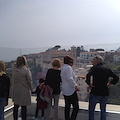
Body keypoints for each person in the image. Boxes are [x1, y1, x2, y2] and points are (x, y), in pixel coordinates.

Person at [85, 55, 119, 120]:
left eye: (93, 61)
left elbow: (88, 75)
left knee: (91, 110)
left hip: (95, 91)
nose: (92, 63)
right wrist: (110, 83)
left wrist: (89, 83)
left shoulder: (94, 68)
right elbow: (116, 78)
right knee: (103, 110)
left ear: (96, 61)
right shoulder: (107, 69)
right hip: (105, 92)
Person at [61, 55, 85, 120]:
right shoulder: (68, 68)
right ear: (70, 62)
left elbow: (72, 76)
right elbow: (70, 78)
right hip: (70, 90)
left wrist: (79, 76)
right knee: (76, 107)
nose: (73, 64)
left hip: (64, 89)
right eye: (72, 62)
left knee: (67, 106)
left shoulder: (63, 67)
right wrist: (75, 86)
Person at [11, 56, 32, 120]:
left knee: (16, 106)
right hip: (24, 88)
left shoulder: (14, 68)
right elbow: (29, 80)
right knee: (23, 106)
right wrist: (31, 88)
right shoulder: (26, 70)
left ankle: (15, 118)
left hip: (15, 88)